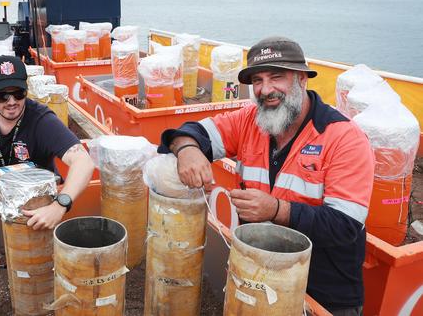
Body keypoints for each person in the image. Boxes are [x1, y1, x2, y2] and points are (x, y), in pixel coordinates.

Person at [158, 36, 373, 315]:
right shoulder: (250, 120)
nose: (265, 89)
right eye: (257, 80)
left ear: (301, 79)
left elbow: (345, 226)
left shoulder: (345, 138)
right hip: (257, 274)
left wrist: (277, 209)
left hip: (322, 291)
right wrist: (187, 148)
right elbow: (188, 132)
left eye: (276, 77)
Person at [0, 55, 94, 230]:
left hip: (40, 205)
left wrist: (59, 205)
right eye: (2, 96)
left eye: (18, 93)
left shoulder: (42, 120)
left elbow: (83, 161)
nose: (11, 102)